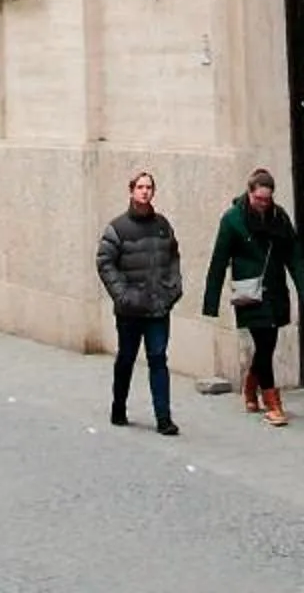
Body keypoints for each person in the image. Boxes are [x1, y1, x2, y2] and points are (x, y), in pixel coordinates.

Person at [200, 166, 304, 426]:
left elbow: (293, 254)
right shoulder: (232, 220)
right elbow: (219, 261)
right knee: (263, 342)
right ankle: (273, 403)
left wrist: (303, 288)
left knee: (267, 344)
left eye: (267, 199)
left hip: (274, 289)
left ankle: (251, 385)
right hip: (249, 292)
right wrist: (211, 301)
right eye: (258, 199)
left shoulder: (279, 217)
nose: (262, 204)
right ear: (249, 193)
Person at [94, 170, 183, 434]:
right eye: (140, 187)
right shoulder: (118, 228)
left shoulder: (162, 225)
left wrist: (173, 288)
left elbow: (174, 257)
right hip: (130, 309)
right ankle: (118, 405)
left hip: (158, 307)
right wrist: (123, 295)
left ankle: (163, 418)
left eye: (149, 187)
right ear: (131, 191)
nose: (145, 191)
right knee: (127, 358)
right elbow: (105, 262)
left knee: (158, 359)